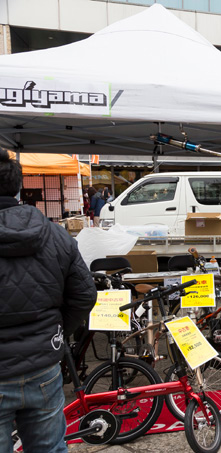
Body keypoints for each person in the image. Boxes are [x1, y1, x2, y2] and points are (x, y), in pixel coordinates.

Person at [0, 148, 97, 452]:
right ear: (18, 186)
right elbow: (84, 295)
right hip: (44, 363)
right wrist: (56, 332)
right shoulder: (55, 235)